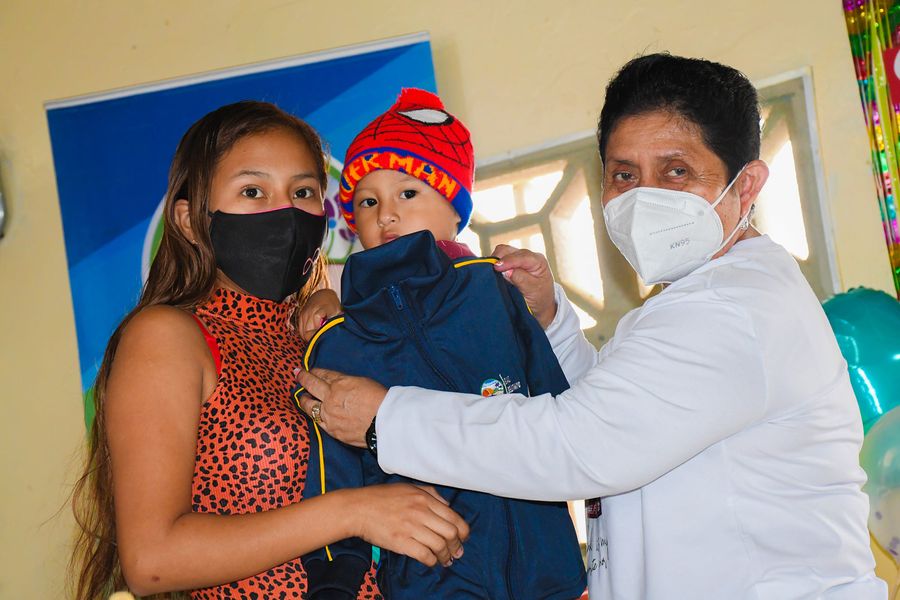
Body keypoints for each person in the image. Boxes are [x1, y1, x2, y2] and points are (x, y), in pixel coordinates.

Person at [297, 55, 888, 599]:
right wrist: (549, 321)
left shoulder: (733, 308)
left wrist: (387, 418)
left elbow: (579, 445)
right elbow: (613, 410)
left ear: (748, 184)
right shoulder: (690, 300)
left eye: (677, 171)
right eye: (624, 174)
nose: (645, 195)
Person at [69, 101, 468, 600]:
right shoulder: (168, 335)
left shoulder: (324, 336)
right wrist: (356, 511)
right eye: (253, 191)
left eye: (303, 192)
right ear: (190, 221)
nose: (286, 212)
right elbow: (152, 559)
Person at [296, 88, 586, 599]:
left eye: (408, 193)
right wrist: (334, 578)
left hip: (551, 575)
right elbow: (334, 470)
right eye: (367, 201)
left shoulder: (495, 290)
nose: (386, 215)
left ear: (456, 209)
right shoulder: (339, 334)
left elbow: (568, 415)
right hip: (431, 583)